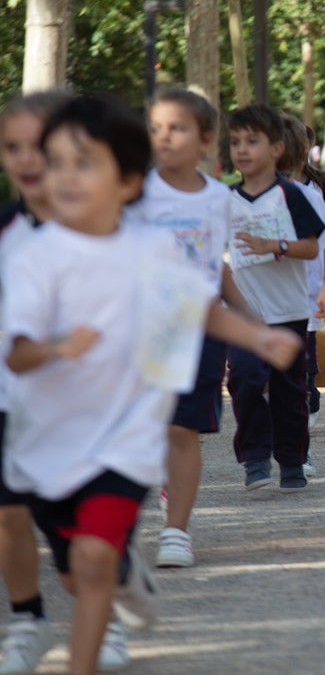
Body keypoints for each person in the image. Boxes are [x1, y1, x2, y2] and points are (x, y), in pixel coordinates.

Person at [2, 94, 301, 675]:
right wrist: (58, 349)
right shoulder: (35, 258)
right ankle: (125, 580)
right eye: (55, 162)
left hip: (123, 440)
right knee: (74, 568)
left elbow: (196, 305)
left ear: (129, 182)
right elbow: (16, 353)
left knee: (90, 560)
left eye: (83, 163)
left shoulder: (150, 247)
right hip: (48, 442)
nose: (60, 176)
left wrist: (257, 337)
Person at [131, 87, 253, 572]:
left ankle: (177, 531)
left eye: (177, 128)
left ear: (205, 140)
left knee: (184, 429)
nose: (165, 138)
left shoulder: (219, 198)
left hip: (201, 330)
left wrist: (247, 315)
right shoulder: (134, 194)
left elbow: (216, 265)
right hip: (145, 329)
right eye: (156, 128)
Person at [0, 90, 69, 674]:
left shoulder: (107, 231)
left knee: (73, 535)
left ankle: (111, 602)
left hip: (83, 404)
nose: (26, 160)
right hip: (10, 399)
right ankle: (26, 621)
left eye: (39, 149)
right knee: (8, 514)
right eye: (12, 148)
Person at [226, 104, 325, 491]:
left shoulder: (290, 195)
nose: (242, 149)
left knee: (289, 390)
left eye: (253, 141)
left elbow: (311, 248)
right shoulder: (225, 201)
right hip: (244, 314)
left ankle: (292, 461)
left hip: (289, 311)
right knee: (246, 380)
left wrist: (273, 244)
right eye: (235, 142)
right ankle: (254, 458)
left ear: (277, 148)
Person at [280, 114, 325, 475]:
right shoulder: (262, 188)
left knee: (305, 375)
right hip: (273, 295)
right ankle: (286, 445)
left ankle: (301, 433)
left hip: (308, 286)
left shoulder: (316, 185)